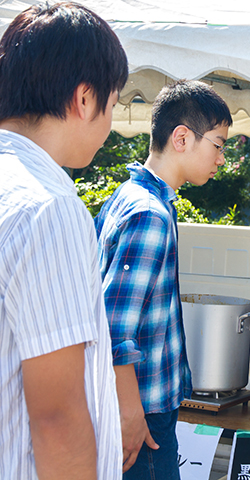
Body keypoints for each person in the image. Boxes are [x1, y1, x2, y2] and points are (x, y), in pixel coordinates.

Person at [0, 3, 128, 479]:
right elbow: (57, 416)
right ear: (84, 97)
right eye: (112, 105)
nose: (110, 123)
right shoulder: (48, 206)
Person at [95, 80, 231, 479]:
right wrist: (130, 412)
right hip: (142, 410)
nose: (221, 158)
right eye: (219, 144)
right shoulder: (149, 215)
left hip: (138, 404)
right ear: (183, 138)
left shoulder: (128, 196)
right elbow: (114, 327)